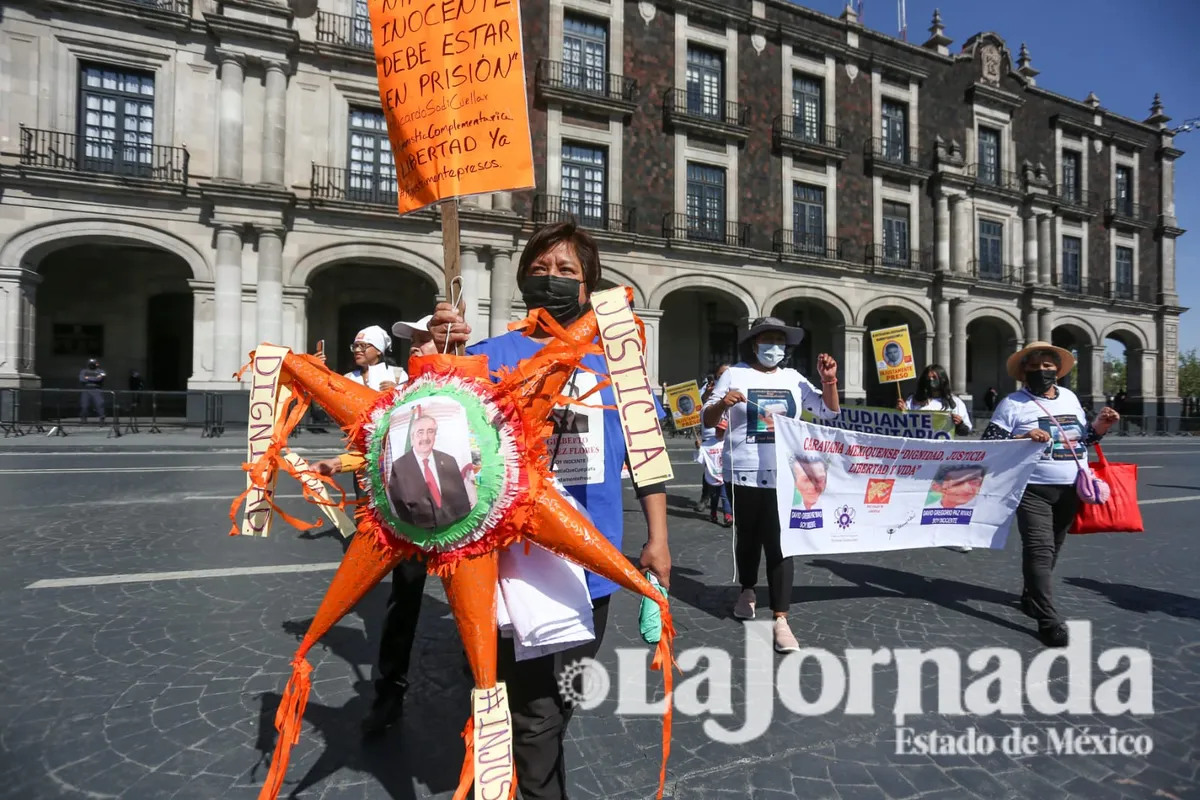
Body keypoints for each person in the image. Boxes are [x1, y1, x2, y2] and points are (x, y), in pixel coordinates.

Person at [428, 220, 671, 800]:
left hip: (592, 565)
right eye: (540, 268)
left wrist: (658, 538)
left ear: (588, 285)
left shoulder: (619, 362)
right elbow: (435, 421)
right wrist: (442, 355)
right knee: (530, 713)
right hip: (510, 566)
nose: (552, 277)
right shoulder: (488, 355)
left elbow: (647, 456)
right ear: (522, 280)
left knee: (555, 706)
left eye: (566, 269)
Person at [310, 316, 438, 735]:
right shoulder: (397, 387)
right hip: (403, 508)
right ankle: (390, 693)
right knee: (404, 597)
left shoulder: (454, 389)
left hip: (460, 520)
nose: (414, 347)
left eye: (424, 340)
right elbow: (377, 443)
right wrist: (341, 461)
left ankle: (482, 680)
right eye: (412, 341)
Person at [701, 316, 839, 653]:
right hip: (744, 471)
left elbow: (828, 412)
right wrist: (722, 403)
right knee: (748, 538)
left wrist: (829, 381)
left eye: (780, 341)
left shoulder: (794, 379)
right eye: (768, 340)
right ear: (754, 343)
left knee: (781, 544)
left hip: (786, 473)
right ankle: (747, 589)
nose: (774, 347)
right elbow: (706, 417)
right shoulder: (734, 374)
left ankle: (781, 618)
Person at [982, 341, 1120, 648]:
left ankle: (1031, 596)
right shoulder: (1012, 404)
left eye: (1047, 365)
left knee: (1053, 548)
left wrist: (1102, 424)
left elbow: (1085, 438)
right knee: (1039, 550)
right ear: (1024, 372)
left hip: (1072, 488)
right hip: (1032, 489)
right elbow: (989, 443)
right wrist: (1023, 436)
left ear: (1057, 371)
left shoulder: (1070, 398)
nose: (1041, 370)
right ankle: (1048, 620)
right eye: (1034, 366)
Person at [897, 364, 974, 551]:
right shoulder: (913, 401)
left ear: (943, 380)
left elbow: (967, 430)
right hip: (917, 458)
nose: (931, 381)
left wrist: (959, 423)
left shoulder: (955, 403)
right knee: (914, 497)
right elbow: (902, 426)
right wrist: (900, 412)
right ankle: (909, 532)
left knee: (947, 500)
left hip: (944, 458)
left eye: (935, 378)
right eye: (928, 378)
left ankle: (952, 537)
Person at [387, 413, 474, 529]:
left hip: (453, 530)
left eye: (430, 431)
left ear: (435, 435)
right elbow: (398, 508)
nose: (425, 437)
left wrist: (463, 529)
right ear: (412, 437)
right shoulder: (399, 467)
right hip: (421, 533)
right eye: (420, 432)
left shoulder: (449, 460)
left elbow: (462, 501)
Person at [344, 325, 405, 390]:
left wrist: (397, 389)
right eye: (355, 346)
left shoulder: (397, 374)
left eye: (363, 345)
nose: (357, 350)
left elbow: (409, 395)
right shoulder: (348, 378)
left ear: (379, 350)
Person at [696, 419, 732, 526]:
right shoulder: (708, 444)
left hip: (725, 474)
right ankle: (713, 513)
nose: (719, 432)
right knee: (714, 497)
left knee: (725, 496)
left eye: (722, 430)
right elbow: (701, 459)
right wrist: (698, 448)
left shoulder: (729, 443)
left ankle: (728, 515)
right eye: (718, 429)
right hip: (712, 475)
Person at [79, 358, 106, 424]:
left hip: (97, 389)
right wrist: (95, 378)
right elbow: (82, 379)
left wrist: (87, 378)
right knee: (84, 405)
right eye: (90, 364)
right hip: (86, 389)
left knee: (100, 404)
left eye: (93, 364)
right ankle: (83, 419)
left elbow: (99, 379)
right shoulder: (84, 371)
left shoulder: (101, 371)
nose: (92, 365)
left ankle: (102, 419)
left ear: (96, 364)